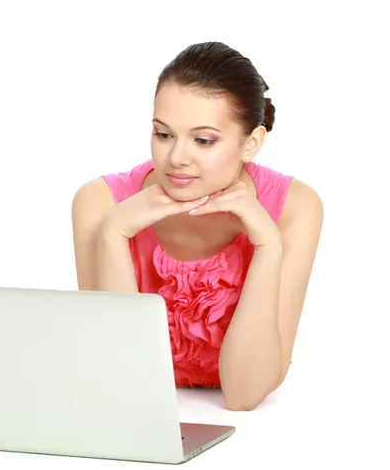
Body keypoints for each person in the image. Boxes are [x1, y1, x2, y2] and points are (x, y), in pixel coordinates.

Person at [71, 41, 324, 411]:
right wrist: (113, 234)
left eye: (203, 140)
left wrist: (268, 246)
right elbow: (120, 382)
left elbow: (244, 394)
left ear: (251, 143)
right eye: (163, 134)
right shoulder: (100, 202)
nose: (176, 158)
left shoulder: (295, 208)